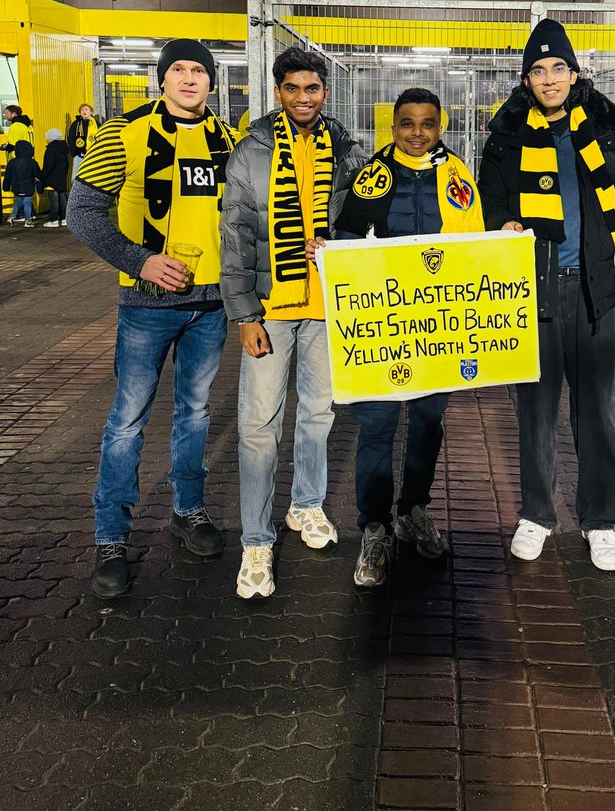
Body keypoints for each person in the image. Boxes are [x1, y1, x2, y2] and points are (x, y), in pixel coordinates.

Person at [67, 39, 239, 599]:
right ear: (161, 78)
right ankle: (111, 538)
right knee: (127, 420)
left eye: (199, 71)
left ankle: (188, 512)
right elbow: (82, 212)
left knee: (195, 415)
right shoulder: (121, 133)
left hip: (210, 306)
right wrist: (140, 261)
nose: (190, 79)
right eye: (179, 70)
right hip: (145, 307)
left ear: (212, 81)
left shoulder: (229, 140)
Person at [478, 20, 615, 570]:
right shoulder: (504, 137)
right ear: (526, 79)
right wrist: (501, 224)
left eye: (557, 69)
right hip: (537, 292)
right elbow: (491, 203)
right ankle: (537, 514)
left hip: (597, 291)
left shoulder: (610, 128)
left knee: (597, 412)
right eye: (537, 70)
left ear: (574, 74)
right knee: (535, 412)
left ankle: (601, 521)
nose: (548, 78)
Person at [220, 48, 366, 600]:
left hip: (327, 310)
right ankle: (256, 539)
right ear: (278, 92)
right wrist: (243, 316)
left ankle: (306, 506)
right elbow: (233, 239)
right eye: (292, 88)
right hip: (270, 310)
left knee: (318, 415)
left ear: (324, 91)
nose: (303, 97)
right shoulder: (250, 153)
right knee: (259, 427)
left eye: (312, 88)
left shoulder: (349, 152)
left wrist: (343, 244)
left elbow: (365, 225)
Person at [333, 88, 485, 589]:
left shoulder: (458, 175)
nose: (416, 133)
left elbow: (475, 245)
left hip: (436, 328)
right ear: (392, 127)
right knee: (376, 427)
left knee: (426, 423)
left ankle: (413, 510)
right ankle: (374, 527)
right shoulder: (374, 176)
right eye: (406, 124)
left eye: (426, 124)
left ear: (440, 127)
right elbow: (351, 243)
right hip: (382, 326)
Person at [3, 140, 42, 226]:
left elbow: (7, 176)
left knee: (18, 201)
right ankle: (27, 220)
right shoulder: (32, 162)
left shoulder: (11, 162)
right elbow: (38, 176)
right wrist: (40, 188)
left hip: (16, 187)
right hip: (28, 187)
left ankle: (11, 217)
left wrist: (5, 187)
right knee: (27, 203)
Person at [40, 128, 69, 227]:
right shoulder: (63, 149)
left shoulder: (50, 149)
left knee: (54, 201)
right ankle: (64, 219)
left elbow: (48, 166)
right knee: (62, 199)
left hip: (51, 179)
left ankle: (54, 220)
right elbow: (67, 164)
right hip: (61, 178)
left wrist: (41, 175)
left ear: (50, 138)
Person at [67, 103, 100, 182]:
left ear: (91, 112)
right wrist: (73, 151)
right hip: (79, 153)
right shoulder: (76, 124)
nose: (84, 111)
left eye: (86, 109)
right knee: (77, 175)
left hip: (92, 153)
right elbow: (71, 138)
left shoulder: (96, 124)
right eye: (82, 110)